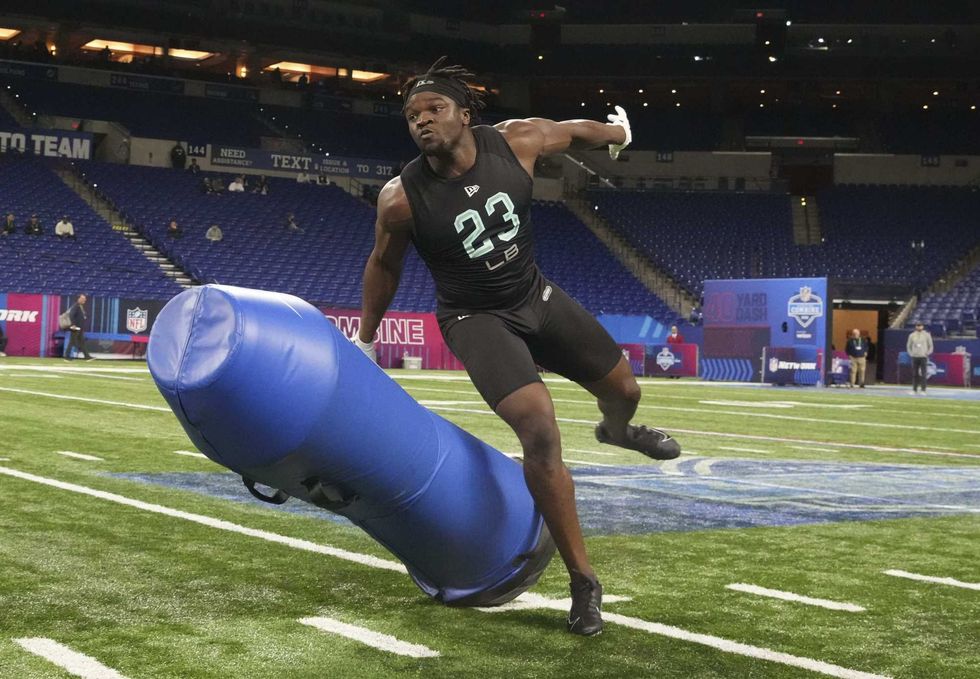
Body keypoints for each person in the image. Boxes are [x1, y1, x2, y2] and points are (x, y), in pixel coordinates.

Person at [354, 58, 679, 637]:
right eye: (412, 116)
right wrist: (367, 334)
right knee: (539, 427)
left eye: (434, 110)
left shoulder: (517, 140)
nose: (423, 122)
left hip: (534, 294)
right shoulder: (400, 198)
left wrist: (617, 134)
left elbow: (576, 130)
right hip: (474, 316)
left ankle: (621, 432)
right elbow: (383, 264)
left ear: (465, 114)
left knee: (625, 389)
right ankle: (584, 581)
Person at [907, 321, 933, 394]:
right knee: (915, 374)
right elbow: (908, 346)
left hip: (923, 357)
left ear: (923, 326)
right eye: (918, 326)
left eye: (920, 325)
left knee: (923, 374)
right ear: (916, 326)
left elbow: (931, 346)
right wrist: (911, 354)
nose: (919, 327)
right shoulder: (912, 335)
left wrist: (927, 353)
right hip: (915, 357)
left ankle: (923, 390)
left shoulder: (927, 335)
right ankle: (914, 389)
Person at [65, 294, 93, 360]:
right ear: (79, 299)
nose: (85, 300)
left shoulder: (80, 306)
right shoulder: (76, 306)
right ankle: (67, 356)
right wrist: (73, 324)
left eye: (85, 299)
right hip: (76, 327)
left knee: (82, 342)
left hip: (80, 327)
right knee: (72, 341)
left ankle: (87, 356)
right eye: (83, 298)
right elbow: (71, 315)